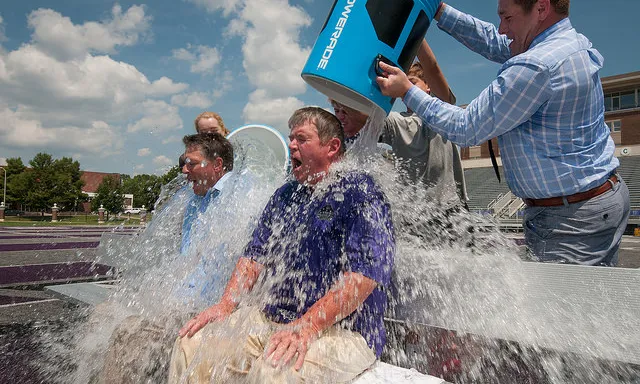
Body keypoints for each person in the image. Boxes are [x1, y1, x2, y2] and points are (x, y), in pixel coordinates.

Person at [376, 0, 630, 266]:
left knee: (558, 304)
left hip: (570, 221)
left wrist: (406, 91)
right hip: (593, 201)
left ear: (541, 9)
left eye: (507, 18)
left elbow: (466, 127)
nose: (502, 28)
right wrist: (438, 9)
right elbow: (493, 40)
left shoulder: (537, 65)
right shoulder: (565, 41)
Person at [168, 106, 395, 383]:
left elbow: (363, 277)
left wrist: (308, 325)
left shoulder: (361, 193)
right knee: (192, 345)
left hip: (343, 331)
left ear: (332, 147)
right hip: (271, 320)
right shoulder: (285, 195)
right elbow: (254, 256)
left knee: (274, 372)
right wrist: (226, 305)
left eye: (301, 138)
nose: (291, 145)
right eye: (290, 138)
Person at [99, 132, 238, 383]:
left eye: (191, 163)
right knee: (105, 314)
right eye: (183, 163)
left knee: (130, 334)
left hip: (206, 308)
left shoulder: (241, 194)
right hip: (180, 300)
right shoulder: (194, 199)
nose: (184, 170)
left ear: (217, 165)